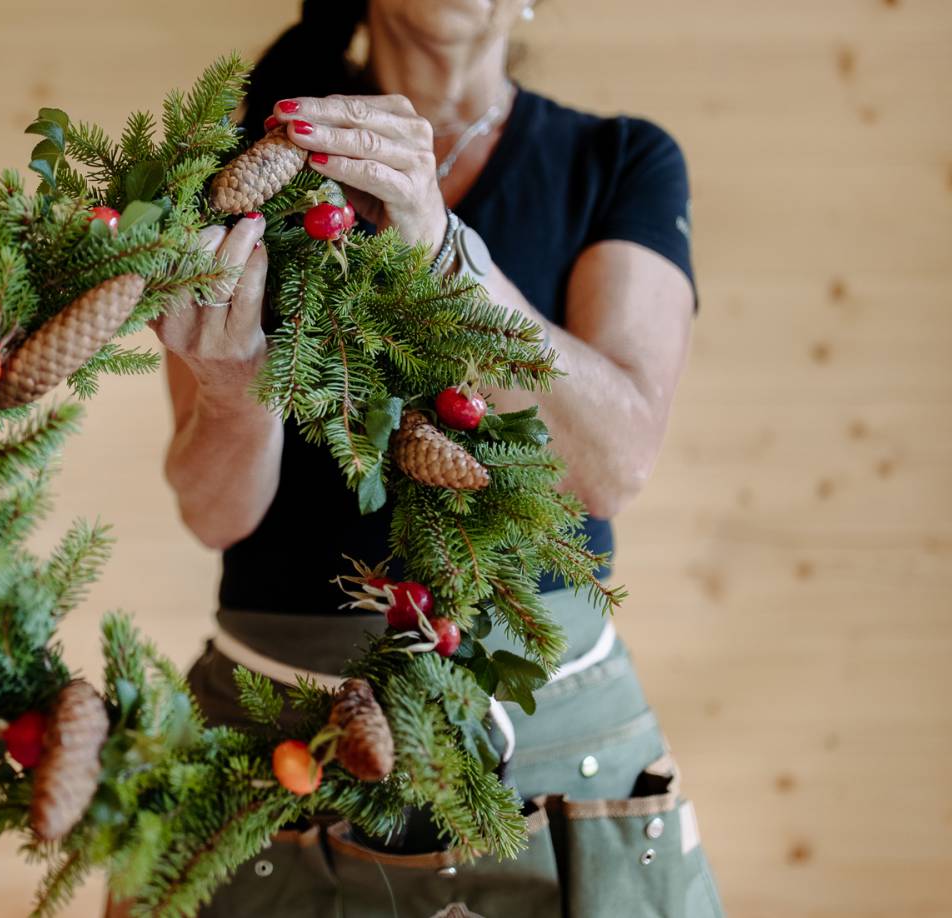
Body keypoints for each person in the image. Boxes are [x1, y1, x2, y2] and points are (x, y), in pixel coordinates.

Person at [146, 0, 724, 914]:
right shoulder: (248, 169)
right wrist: (232, 388)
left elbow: (611, 466)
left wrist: (446, 254)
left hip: (542, 749)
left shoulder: (620, 162)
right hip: (270, 736)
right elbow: (215, 513)